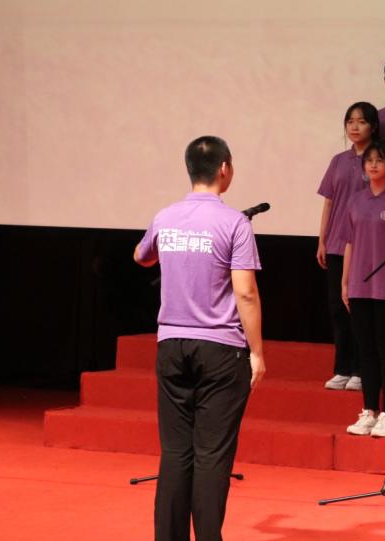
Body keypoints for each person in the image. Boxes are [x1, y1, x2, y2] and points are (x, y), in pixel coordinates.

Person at [134, 135, 264, 541]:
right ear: (224, 169)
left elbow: (141, 256)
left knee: (175, 452)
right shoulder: (234, 223)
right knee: (211, 455)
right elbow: (245, 292)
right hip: (221, 350)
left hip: (171, 346)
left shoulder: (165, 216)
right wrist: (257, 352)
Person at [340, 139, 385, 438]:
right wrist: (345, 281)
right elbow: (349, 243)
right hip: (360, 286)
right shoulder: (356, 201)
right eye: (369, 160)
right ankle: (369, 410)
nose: (373, 165)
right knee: (366, 351)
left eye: (379, 160)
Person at [316, 103, 378, 392]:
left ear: (373, 127)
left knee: (360, 310)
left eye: (361, 121)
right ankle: (342, 368)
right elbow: (329, 202)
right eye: (350, 121)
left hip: (365, 246)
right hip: (337, 243)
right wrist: (322, 239)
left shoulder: (378, 160)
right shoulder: (339, 160)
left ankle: (361, 370)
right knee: (337, 309)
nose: (354, 127)